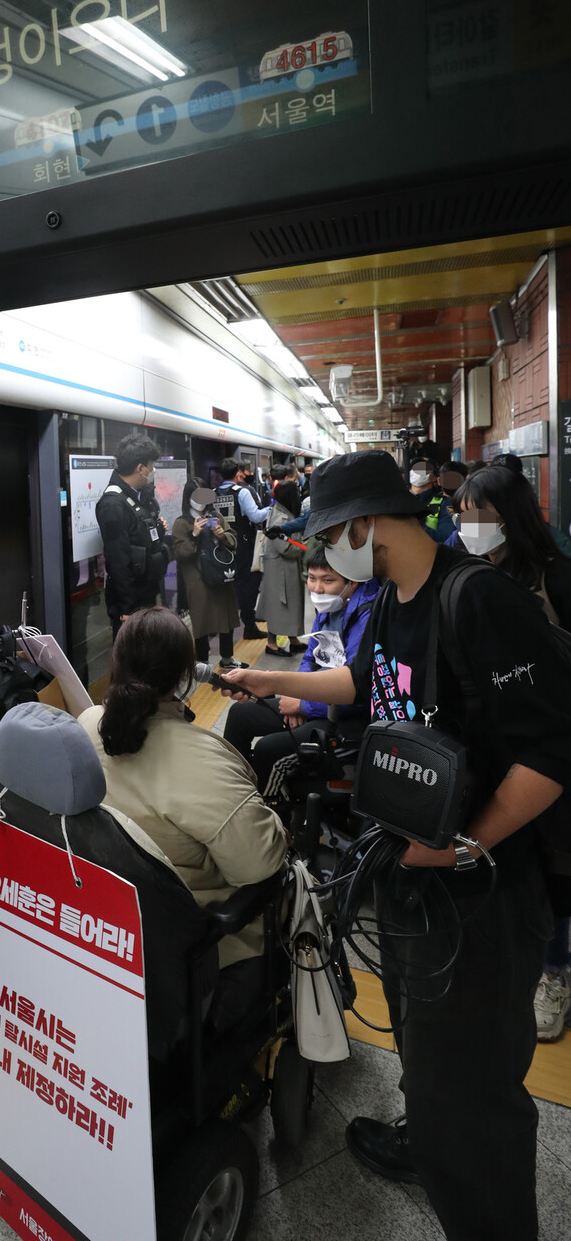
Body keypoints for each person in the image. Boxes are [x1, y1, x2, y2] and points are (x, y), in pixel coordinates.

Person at [221, 448, 568, 1241]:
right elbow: (365, 686)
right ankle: (429, 1143)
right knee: (424, 1049)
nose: (318, 551)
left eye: (328, 534)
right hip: (413, 880)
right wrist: (275, 685)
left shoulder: (477, 600)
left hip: (482, 895)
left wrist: (465, 847)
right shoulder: (386, 601)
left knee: (474, 1094)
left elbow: (553, 752)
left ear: (370, 523)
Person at [78, 606, 287, 1020]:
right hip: (193, 943)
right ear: (183, 676)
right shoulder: (205, 762)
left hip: (108, 924)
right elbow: (260, 866)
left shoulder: (86, 724)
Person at [453, 463, 571, 1041]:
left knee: (560, 863)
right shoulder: (474, 578)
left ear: (506, 516)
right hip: (505, 750)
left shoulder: (556, 579)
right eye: (459, 511)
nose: (462, 522)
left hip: (554, 750)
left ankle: (555, 971)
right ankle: (530, 954)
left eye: (473, 512)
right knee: (526, 861)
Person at [223, 547, 378, 792]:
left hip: (347, 714)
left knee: (268, 749)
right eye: (312, 579)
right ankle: (232, 791)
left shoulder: (366, 615)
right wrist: (296, 693)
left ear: (352, 583)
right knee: (240, 715)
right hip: (317, 698)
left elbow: (359, 688)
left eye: (328, 580)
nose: (317, 588)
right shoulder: (327, 610)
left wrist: (303, 704)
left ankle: (267, 814)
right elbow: (310, 658)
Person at [95, 435, 169, 637]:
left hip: (145, 592)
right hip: (131, 603)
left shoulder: (136, 495)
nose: (152, 471)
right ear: (141, 468)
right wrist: (129, 610)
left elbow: (139, 536)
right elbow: (118, 560)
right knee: (134, 659)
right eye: (151, 466)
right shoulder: (113, 504)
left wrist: (157, 529)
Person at [171, 482, 239, 666]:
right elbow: (179, 554)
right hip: (197, 578)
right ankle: (202, 660)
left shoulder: (215, 516)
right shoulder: (182, 522)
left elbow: (233, 539)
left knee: (226, 616)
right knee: (201, 619)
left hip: (221, 573)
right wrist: (194, 534)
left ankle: (227, 658)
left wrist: (222, 535)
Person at [214, 458, 267, 640]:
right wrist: (273, 509)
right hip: (243, 544)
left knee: (228, 584)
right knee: (249, 584)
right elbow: (256, 516)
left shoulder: (212, 493)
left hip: (221, 545)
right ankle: (249, 625)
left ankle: (224, 624)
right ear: (238, 473)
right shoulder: (242, 492)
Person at [255, 476, 307, 657]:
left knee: (290, 606)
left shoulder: (281, 510)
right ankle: (272, 644)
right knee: (279, 606)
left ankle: (293, 640)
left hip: (286, 569)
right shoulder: (280, 516)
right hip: (281, 569)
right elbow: (286, 547)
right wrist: (303, 546)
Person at [408, 458, 455, 542]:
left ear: (433, 477)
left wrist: (418, 525)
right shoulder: (400, 501)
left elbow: (446, 537)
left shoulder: (444, 503)